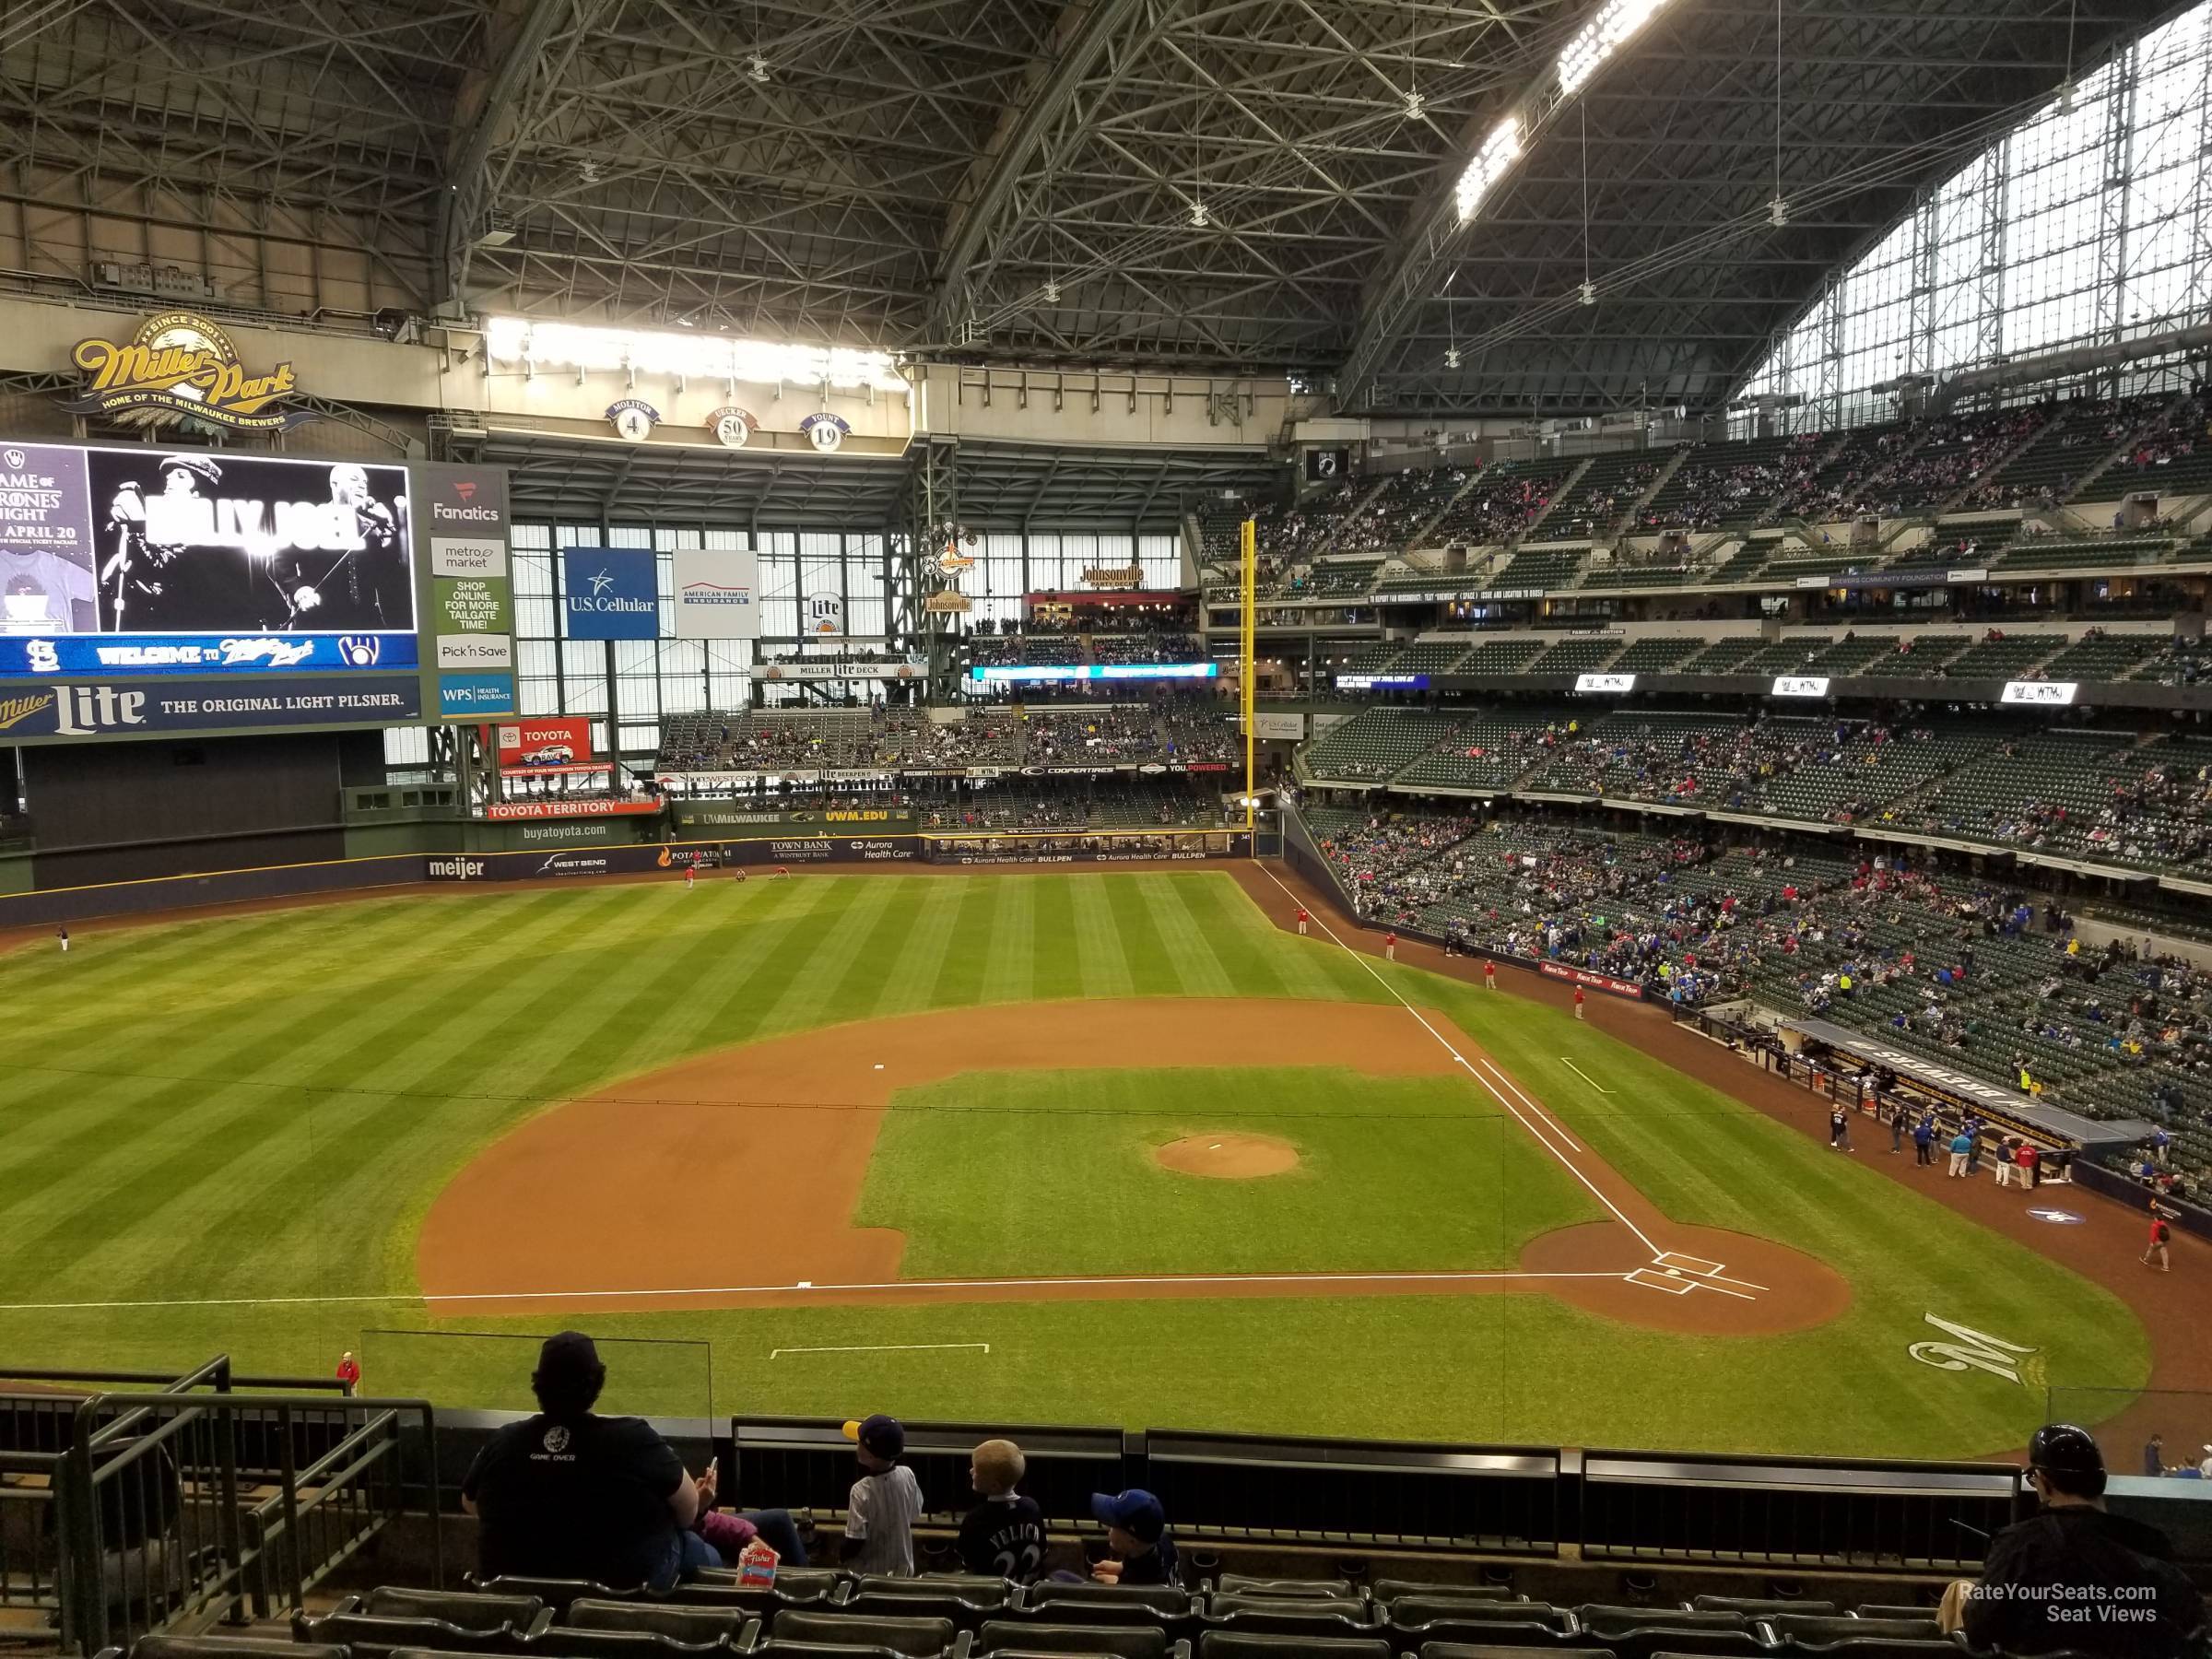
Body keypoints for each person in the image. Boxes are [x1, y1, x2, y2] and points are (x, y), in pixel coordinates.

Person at [460, 1332, 712, 1589]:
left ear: (539, 1385)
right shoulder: (634, 1439)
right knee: (696, 1548)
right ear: (597, 1384)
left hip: (513, 1597)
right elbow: (688, 1511)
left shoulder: (503, 1441)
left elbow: (470, 1503)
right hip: (617, 1598)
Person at [1938, 1424, 2202, 1656]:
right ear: (2101, 1479)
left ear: (2043, 1481)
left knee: (1960, 1593)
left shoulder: (2020, 1543)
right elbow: (2189, 1621)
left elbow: (1979, 1627)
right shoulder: (2150, 1544)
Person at [841, 1415, 923, 1576]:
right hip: (904, 1572)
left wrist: (841, 1557)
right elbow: (914, 1513)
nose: (856, 1446)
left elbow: (855, 1540)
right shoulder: (908, 1474)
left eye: (859, 1443)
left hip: (868, 1577)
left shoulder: (861, 1490)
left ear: (870, 1455)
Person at [957, 1439, 1048, 1583]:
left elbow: (968, 1565)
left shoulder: (976, 1519)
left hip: (992, 1599)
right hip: (1031, 1596)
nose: (971, 1471)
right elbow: (1043, 1551)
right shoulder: (1032, 1507)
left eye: (976, 1470)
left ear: (994, 1486)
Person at [1089, 1488, 1178, 1586]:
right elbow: (1145, 1563)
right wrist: (1121, 1566)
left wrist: (1116, 1586)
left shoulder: (1137, 1588)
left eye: (1113, 1524)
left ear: (1132, 1541)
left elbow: (1140, 1591)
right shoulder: (1163, 1540)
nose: (1108, 1528)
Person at [2143, 1206, 2172, 1272]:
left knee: (2151, 1250)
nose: (2154, 1219)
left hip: (2158, 1241)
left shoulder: (2154, 1225)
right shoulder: (2164, 1224)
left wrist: (2152, 1242)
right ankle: (2166, 1267)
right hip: (2164, 1241)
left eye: (2155, 1218)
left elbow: (2153, 1235)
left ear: (2156, 1219)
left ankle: (2145, 1260)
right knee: (2164, 1253)